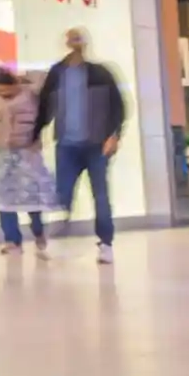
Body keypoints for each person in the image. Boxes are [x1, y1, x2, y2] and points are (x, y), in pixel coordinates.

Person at [36, 28, 126, 264]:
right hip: (67, 145)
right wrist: (36, 133)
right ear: (66, 42)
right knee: (62, 194)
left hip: (97, 144)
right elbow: (44, 106)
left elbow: (118, 106)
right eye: (71, 38)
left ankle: (106, 243)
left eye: (79, 38)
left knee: (101, 195)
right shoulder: (57, 73)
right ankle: (55, 238)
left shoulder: (100, 73)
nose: (75, 42)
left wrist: (114, 135)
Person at [0, 65, 57, 256]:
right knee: (3, 201)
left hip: (26, 153)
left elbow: (45, 79)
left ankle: (39, 232)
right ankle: (12, 240)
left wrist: (22, 78)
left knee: (31, 199)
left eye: (7, 88)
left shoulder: (31, 96)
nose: (3, 92)